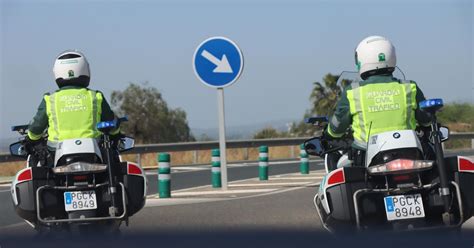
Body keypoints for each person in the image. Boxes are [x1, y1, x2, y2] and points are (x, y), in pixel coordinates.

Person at [324, 35, 431, 167]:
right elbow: (426, 119)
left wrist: (329, 133)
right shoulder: (410, 87)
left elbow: (338, 126)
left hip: (366, 156)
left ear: (361, 59)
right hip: (409, 153)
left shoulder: (353, 91)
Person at [25, 50, 119, 166]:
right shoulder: (95, 96)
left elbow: (36, 128)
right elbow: (111, 122)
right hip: (93, 151)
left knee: (42, 168)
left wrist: (31, 139)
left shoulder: (50, 99)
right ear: (86, 70)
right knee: (113, 163)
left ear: (56, 72)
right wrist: (117, 133)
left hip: (56, 152)